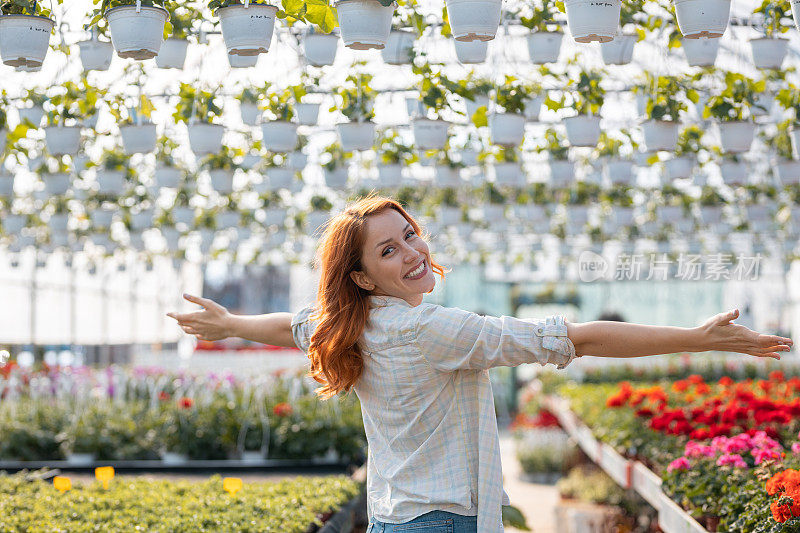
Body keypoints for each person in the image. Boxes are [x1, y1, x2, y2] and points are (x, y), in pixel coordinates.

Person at [166, 195, 793, 533]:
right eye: (389, 249)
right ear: (360, 275)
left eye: (409, 233)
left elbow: (292, 326)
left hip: (391, 517)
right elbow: (578, 338)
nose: (413, 252)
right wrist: (699, 337)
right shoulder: (437, 330)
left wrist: (230, 326)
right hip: (441, 522)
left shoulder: (349, 322)